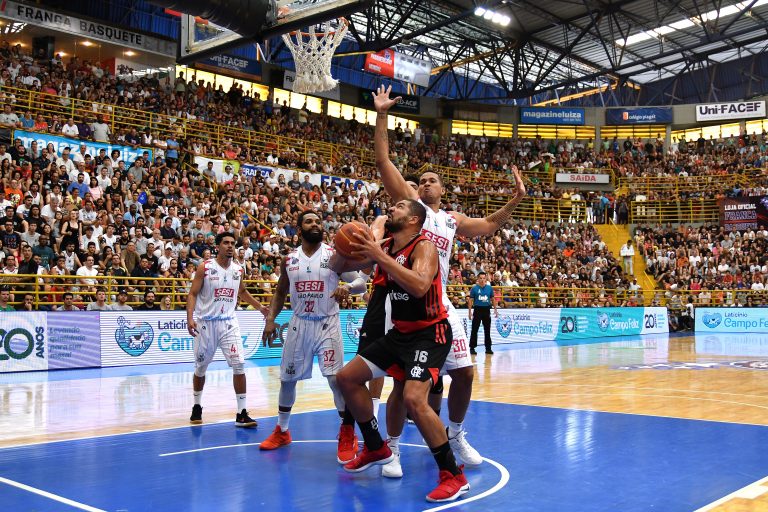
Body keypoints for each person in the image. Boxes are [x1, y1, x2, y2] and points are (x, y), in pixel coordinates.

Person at [371, 85, 526, 475]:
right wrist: (382, 114)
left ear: (443, 189)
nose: (425, 183)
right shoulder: (411, 208)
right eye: (421, 180)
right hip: (405, 302)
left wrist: (517, 198)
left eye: (432, 180)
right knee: (400, 385)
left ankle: (455, 434)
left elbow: (489, 225)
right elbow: (383, 161)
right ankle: (392, 450)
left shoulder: (451, 220)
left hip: (439, 305)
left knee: (466, 372)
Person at [336, 198, 468, 503]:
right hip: (400, 334)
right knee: (346, 378)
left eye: (399, 207)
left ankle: (453, 475)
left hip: (430, 334)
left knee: (413, 398)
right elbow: (342, 267)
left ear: (413, 220)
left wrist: (378, 256)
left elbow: (420, 286)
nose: (391, 209)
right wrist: (346, 247)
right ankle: (375, 446)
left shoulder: (424, 246)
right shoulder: (385, 247)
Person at [259, 210, 367, 463]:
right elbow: (280, 292)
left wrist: (347, 287)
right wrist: (271, 320)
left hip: (327, 323)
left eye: (318, 221)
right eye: (309, 221)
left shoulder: (335, 256)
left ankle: (347, 433)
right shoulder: (289, 259)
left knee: (335, 380)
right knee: (287, 380)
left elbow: (361, 284)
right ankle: (282, 430)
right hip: (299, 323)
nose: (315, 224)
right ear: (299, 230)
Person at [187, 232, 269, 427]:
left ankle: (241, 412)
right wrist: (190, 318)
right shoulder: (205, 267)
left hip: (229, 323)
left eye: (233, 243)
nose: (230, 246)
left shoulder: (238, 269)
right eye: (226, 243)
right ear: (218, 246)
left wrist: (260, 307)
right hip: (206, 323)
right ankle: (197, 405)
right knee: (201, 367)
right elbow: (192, 293)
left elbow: (242, 292)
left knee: (239, 365)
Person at [468, 272, 497, 355]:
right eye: (480, 278)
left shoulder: (489, 288)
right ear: (478, 279)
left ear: (486, 279)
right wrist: (469, 312)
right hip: (477, 310)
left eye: (484, 278)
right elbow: (470, 300)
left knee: (487, 330)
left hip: (486, 310)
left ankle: (488, 348)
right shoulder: (474, 288)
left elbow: (493, 299)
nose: (482, 280)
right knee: (474, 329)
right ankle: (472, 348)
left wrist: (495, 309)